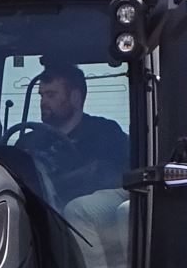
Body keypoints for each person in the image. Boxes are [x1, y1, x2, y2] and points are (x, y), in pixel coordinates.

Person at [24, 65, 131, 201]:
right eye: (41, 96)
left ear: (75, 97)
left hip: (81, 216)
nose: (43, 102)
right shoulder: (29, 140)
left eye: (51, 95)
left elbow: (108, 177)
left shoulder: (104, 133)